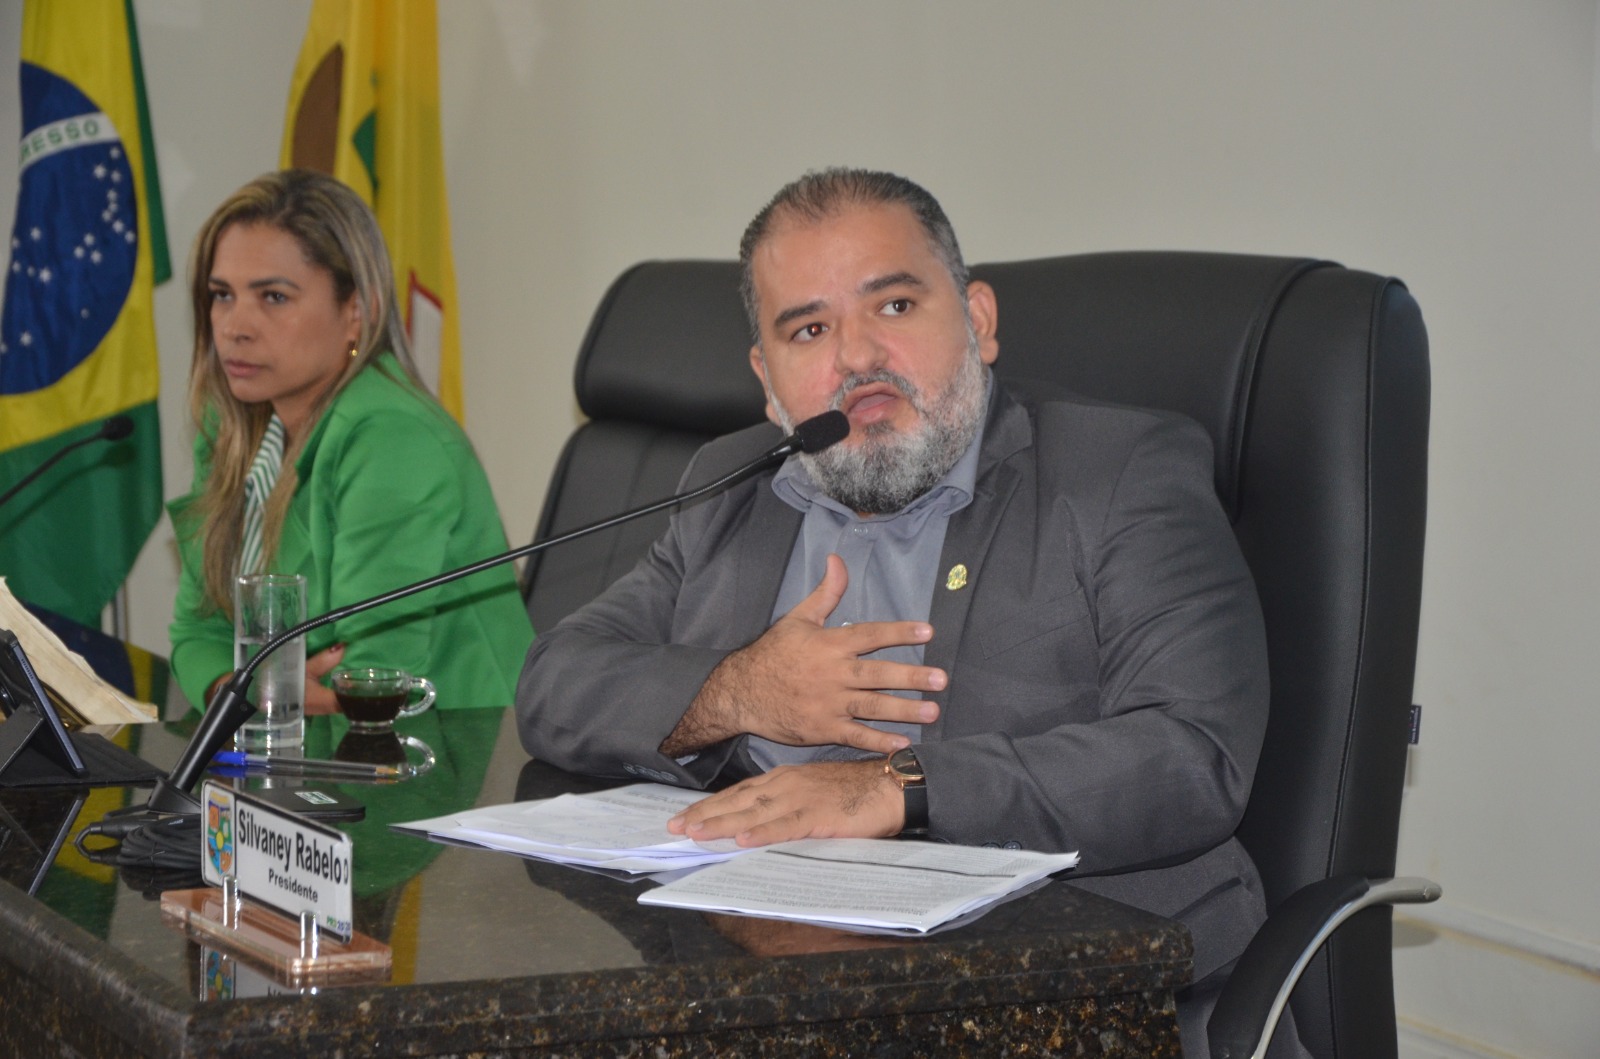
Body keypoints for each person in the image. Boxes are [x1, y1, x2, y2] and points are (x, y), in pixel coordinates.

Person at [515, 168, 1304, 1057]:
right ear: (768, 380)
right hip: (767, 984)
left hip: (1062, 1000)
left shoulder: (1118, 472)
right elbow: (555, 683)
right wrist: (737, 691)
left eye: (893, 306)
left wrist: (899, 786)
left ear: (978, 319)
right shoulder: (732, 488)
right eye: (809, 329)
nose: (857, 356)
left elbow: (1193, 756)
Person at [169, 169, 532, 715]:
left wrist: (265, 691)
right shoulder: (232, 430)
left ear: (356, 312)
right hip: (298, 742)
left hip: (460, 745)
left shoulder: (391, 437)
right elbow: (197, 634)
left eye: (273, 297)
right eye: (222, 295)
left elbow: (376, 681)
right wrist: (249, 691)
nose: (234, 327)